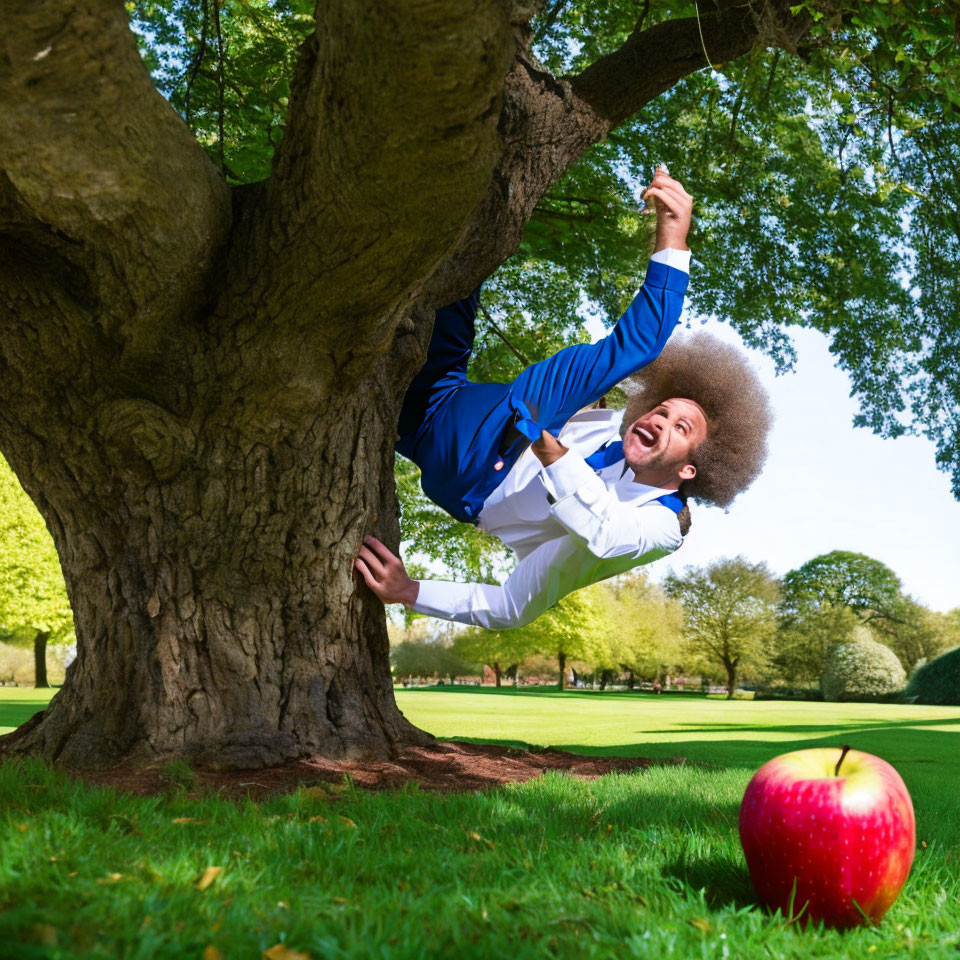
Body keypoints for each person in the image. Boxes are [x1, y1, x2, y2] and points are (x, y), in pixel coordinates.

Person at [355, 169, 772, 628]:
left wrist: (409, 591)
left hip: (478, 468)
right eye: (662, 408)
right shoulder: (612, 427)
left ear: (690, 468)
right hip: (450, 397)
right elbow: (630, 352)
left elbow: (523, 598)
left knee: (625, 354)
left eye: (680, 428)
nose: (659, 418)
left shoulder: (658, 527)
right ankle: (452, 193)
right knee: (449, 282)